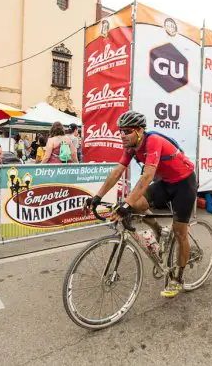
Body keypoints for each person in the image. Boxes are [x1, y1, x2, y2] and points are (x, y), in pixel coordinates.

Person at [85, 111, 196, 298]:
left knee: (180, 232)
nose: (122, 135)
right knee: (137, 205)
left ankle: (178, 279)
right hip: (167, 182)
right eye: (120, 131)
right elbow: (118, 171)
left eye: (126, 131)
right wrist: (97, 196)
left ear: (139, 131)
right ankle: (160, 232)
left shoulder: (153, 141)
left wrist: (126, 204)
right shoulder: (130, 148)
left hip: (184, 183)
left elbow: (147, 176)